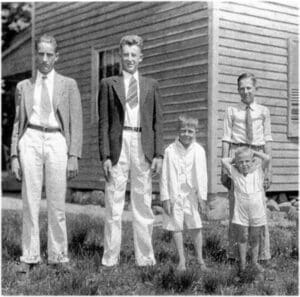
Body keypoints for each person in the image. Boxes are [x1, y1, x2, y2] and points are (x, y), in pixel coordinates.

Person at [11, 34, 83, 273]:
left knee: (56, 202)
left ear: (56, 57)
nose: (44, 59)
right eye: (40, 54)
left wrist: (74, 154)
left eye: (49, 54)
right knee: (30, 201)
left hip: (56, 139)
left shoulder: (68, 84)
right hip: (30, 139)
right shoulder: (24, 86)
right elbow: (17, 123)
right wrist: (13, 155)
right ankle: (30, 256)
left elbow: (76, 122)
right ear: (36, 55)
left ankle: (58, 256)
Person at [98, 35, 163, 266]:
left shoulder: (151, 85)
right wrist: (105, 155)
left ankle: (145, 259)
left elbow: (157, 122)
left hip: (142, 143)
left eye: (133, 55)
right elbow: (104, 123)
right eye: (125, 54)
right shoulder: (108, 84)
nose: (129, 59)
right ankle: (110, 258)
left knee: (143, 202)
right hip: (119, 144)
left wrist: (158, 154)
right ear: (120, 56)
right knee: (114, 202)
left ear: (141, 58)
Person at [221, 72, 272, 262]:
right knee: (237, 207)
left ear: (255, 88)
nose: (245, 91)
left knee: (259, 206)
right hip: (238, 157)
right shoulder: (231, 111)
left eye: (248, 87)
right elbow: (226, 139)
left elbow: (267, 139)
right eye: (241, 88)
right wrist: (224, 168)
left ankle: (262, 256)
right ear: (238, 90)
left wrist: (269, 169)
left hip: (257, 157)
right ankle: (235, 256)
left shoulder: (263, 111)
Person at [160, 115, 208, 271]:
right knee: (176, 226)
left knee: (196, 225)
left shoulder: (199, 150)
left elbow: (202, 175)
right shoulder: (170, 150)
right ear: (178, 131)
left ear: (196, 132)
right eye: (183, 131)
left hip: (192, 193)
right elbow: (165, 176)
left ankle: (200, 259)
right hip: (175, 194)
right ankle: (182, 260)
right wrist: (165, 198)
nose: (187, 134)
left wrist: (203, 197)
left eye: (190, 131)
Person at [222, 147, 270, 274]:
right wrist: (236, 158)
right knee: (242, 237)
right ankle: (242, 264)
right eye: (241, 162)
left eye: (247, 161)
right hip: (241, 210)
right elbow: (223, 161)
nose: (244, 164)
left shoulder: (258, 171)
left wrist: (253, 153)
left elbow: (267, 158)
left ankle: (254, 262)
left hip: (257, 210)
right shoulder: (235, 172)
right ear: (237, 164)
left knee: (255, 237)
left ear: (253, 161)